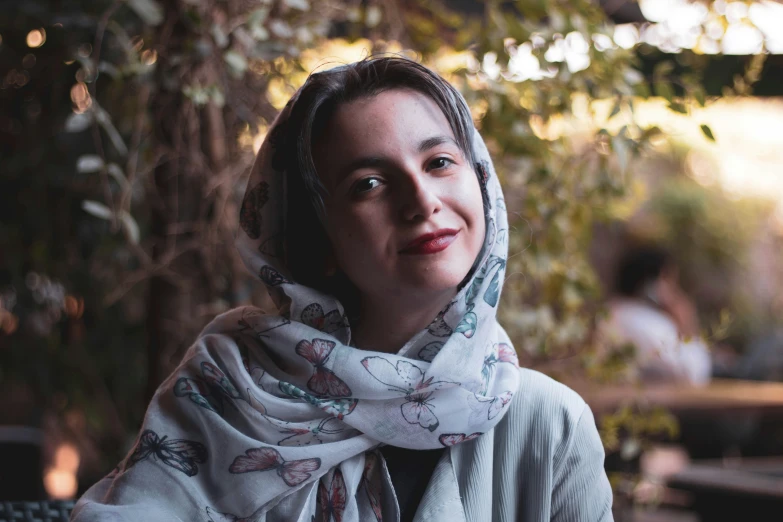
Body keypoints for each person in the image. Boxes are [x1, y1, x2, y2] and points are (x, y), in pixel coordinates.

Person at [70, 57, 612, 522]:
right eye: (369, 184)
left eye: (440, 161)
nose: (421, 201)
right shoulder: (228, 387)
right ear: (317, 237)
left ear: (482, 185)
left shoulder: (551, 425)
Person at [599, 243, 712, 385]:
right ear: (654, 283)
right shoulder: (646, 323)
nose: (674, 289)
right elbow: (693, 375)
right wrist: (687, 325)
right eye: (670, 280)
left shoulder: (611, 313)